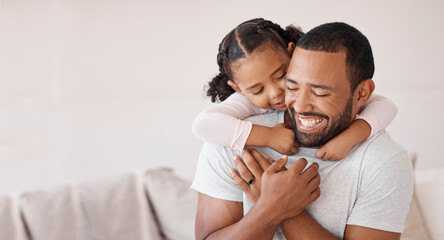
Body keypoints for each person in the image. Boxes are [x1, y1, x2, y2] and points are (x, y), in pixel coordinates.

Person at [191, 21, 413, 240]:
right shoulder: (231, 137)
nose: (299, 105)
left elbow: (385, 106)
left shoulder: (383, 161)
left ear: (362, 94)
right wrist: (269, 209)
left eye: (320, 93)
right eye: (293, 86)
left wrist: (284, 210)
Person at [192, 18, 397, 161]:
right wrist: (268, 136)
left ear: (292, 53)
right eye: (257, 90)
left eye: (282, 77)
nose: (275, 93)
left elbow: (385, 105)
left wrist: (351, 137)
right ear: (239, 89)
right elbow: (203, 124)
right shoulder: (244, 101)